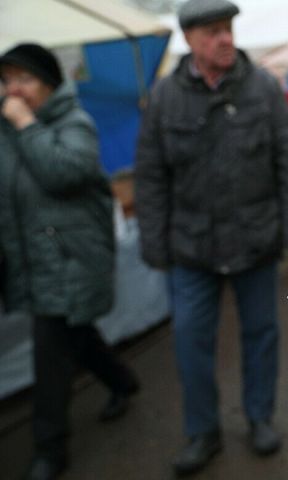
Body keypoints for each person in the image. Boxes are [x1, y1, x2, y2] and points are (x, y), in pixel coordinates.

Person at [134, 0, 288, 476]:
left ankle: (259, 418)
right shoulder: (166, 98)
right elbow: (150, 177)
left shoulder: (263, 89)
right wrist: (155, 241)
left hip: (254, 242)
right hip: (191, 248)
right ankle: (203, 432)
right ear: (189, 39)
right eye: (213, 31)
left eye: (229, 29)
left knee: (261, 334)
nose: (226, 39)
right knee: (191, 340)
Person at [0, 43, 139, 480]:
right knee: (77, 335)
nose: (14, 90)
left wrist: (25, 126)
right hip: (34, 257)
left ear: (49, 84)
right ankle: (122, 382)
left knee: (51, 355)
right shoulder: (7, 132)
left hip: (71, 258)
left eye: (24, 79)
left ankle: (49, 450)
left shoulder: (74, 123)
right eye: (8, 81)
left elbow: (65, 173)